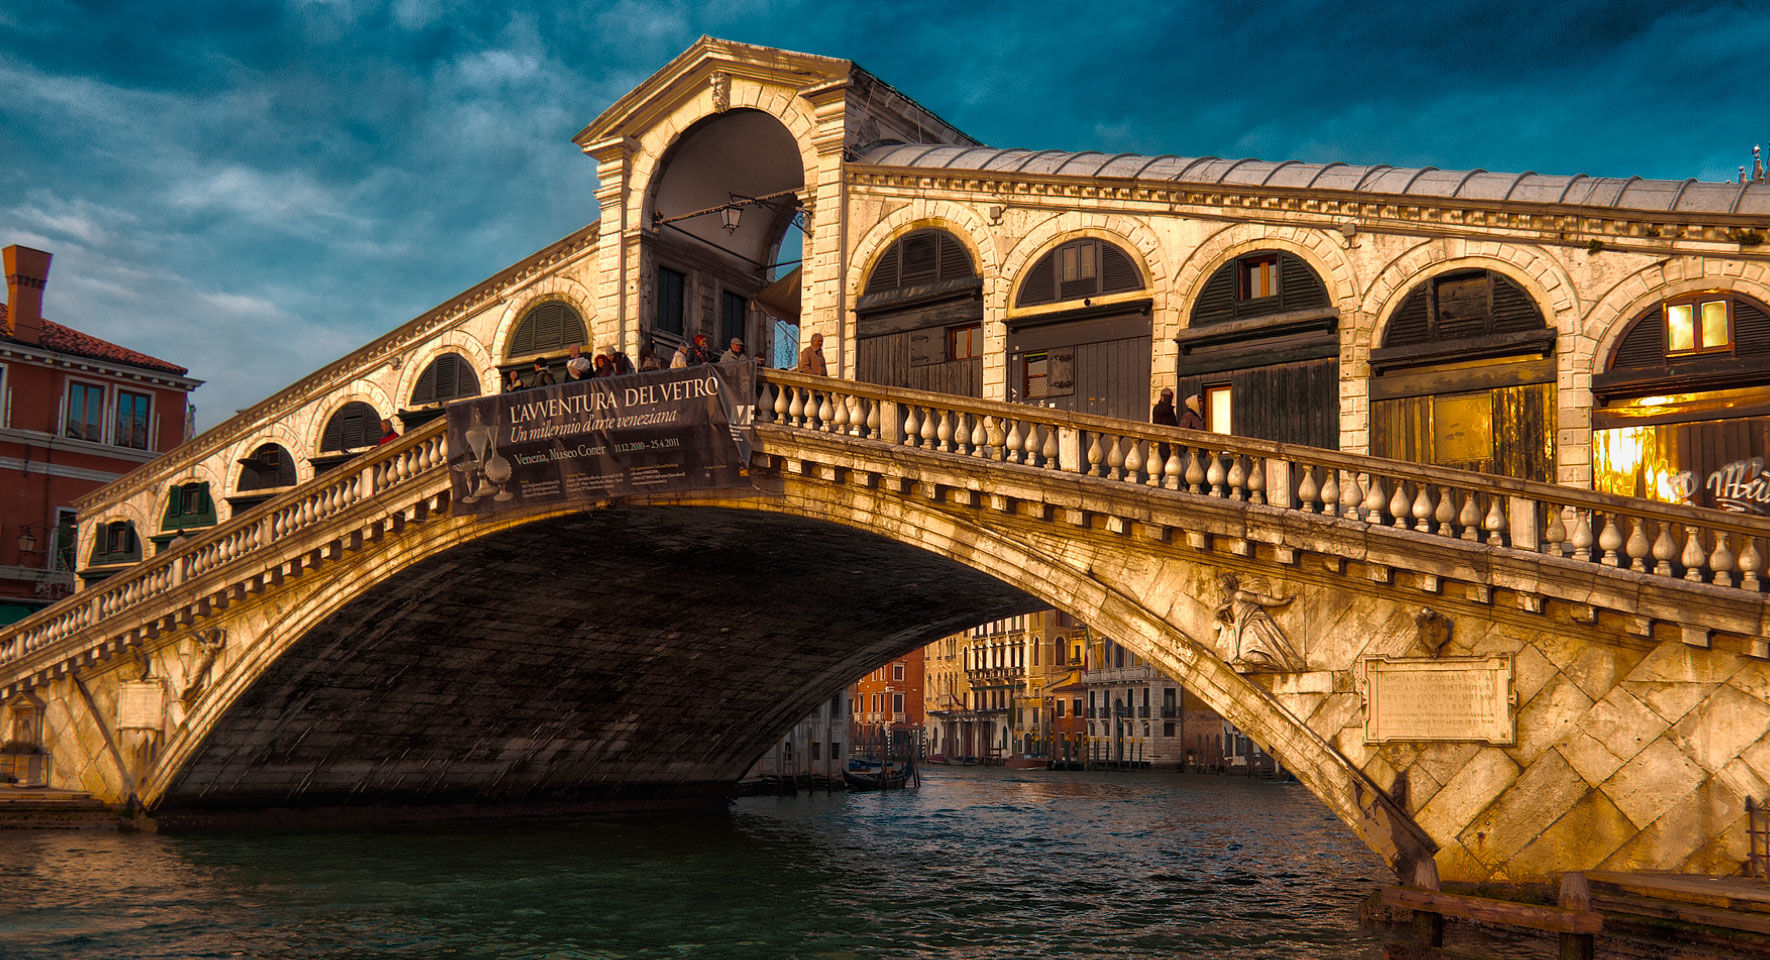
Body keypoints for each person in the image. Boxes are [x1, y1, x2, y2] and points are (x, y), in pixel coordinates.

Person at [1151, 387, 1178, 469]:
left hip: (1170, 441)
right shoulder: (1158, 408)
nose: (1170, 400)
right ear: (1162, 397)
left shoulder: (1170, 410)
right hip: (1161, 441)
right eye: (1168, 397)